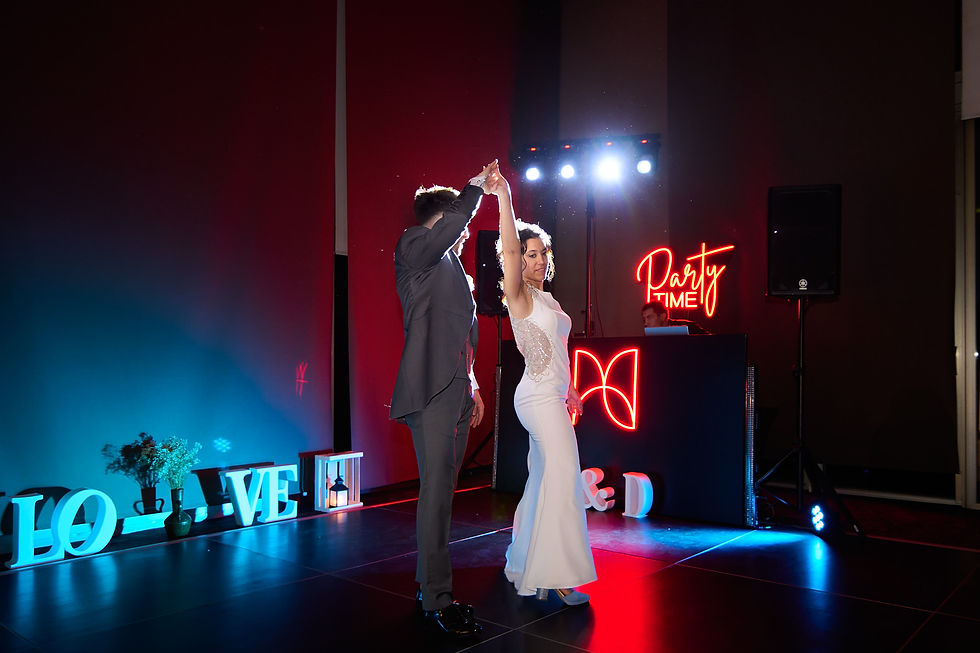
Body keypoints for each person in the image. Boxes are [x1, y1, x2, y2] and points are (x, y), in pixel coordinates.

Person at [390, 162, 492, 639]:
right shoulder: (415, 246)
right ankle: (437, 597)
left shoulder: (454, 268)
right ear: (444, 218)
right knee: (435, 494)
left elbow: (463, 336)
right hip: (429, 390)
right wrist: (475, 189)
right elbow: (449, 231)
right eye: (460, 223)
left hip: (456, 390)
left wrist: (473, 385)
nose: (466, 233)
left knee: (443, 496)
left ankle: (427, 587)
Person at [487, 163, 597, 605]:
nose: (536, 260)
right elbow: (510, 248)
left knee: (542, 480)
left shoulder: (549, 299)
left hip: (552, 394)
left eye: (541, 253)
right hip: (535, 397)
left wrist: (570, 389)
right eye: (529, 254)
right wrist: (504, 195)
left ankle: (523, 561)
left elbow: (557, 348)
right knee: (564, 476)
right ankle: (557, 575)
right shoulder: (518, 295)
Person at [641, 299, 711, 334]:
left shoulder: (689, 327)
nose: (645, 323)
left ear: (662, 316)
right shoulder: (648, 337)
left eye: (649, 317)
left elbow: (712, 341)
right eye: (644, 319)